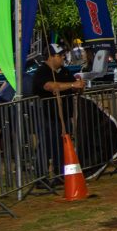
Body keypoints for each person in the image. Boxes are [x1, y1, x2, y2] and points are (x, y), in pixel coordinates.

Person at [32, 44, 86, 178]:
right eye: (60, 55)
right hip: (47, 116)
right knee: (46, 145)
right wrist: (73, 85)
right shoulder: (42, 72)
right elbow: (50, 86)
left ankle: (61, 174)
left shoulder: (64, 71)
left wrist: (78, 86)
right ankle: (41, 177)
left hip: (64, 116)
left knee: (62, 145)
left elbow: (75, 85)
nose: (63, 57)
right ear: (50, 57)